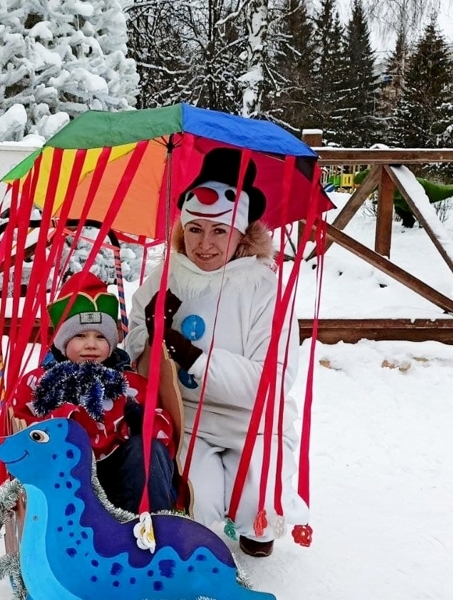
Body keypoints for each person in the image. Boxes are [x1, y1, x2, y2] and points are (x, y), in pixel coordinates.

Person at [124, 147, 309, 557]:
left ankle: (255, 526)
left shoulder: (262, 285)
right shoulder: (168, 271)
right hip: (188, 414)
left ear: (242, 233)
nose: (204, 244)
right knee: (197, 502)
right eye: (195, 229)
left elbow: (274, 379)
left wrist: (195, 357)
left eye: (219, 231)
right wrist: (150, 339)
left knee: (258, 505)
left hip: (253, 420)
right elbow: (135, 330)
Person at [9, 272, 177, 514]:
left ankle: (151, 525)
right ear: (62, 341)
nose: (91, 344)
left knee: (147, 451)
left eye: (100, 336)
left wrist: (143, 419)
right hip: (67, 483)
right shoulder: (41, 383)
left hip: (123, 481)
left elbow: (163, 434)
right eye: (80, 335)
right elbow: (23, 428)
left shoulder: (129, 383)